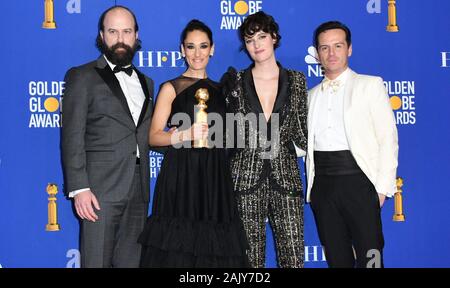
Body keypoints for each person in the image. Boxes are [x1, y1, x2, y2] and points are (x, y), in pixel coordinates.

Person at [138, 19, 249, 268]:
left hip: (215, 177)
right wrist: (184, 135)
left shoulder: (223, 90)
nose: (197, 53)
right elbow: (153, 136)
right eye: (191, 47)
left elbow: (233, 139)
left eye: (203, 46)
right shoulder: (171, 88)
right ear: (182, 50)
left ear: (213, 49)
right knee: (179, 248)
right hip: (181, 175)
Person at [61, 5, 155, 267]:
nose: (120, 39)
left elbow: (145, 134)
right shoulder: (82, 76)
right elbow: (72, 135)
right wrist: (80, 188)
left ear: (136, 35)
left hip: (139, 190)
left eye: (126, 31)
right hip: (99, 192)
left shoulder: (147, 82)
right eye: (113, 31)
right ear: (102, 36)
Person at [305, 21, 399, 268]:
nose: (331, 53)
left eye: (338, 45)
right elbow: (302, 144)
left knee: (371, 258)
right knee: (337, 259)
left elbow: (387, 139)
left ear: (349, 49)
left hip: (360, 183)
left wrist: (381, 190)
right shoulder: (310, 96)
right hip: (323, 187)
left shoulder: (370, 85)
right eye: (324, 48)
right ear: (317, 53)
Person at [221, 11, 307, 268]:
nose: (256, 45)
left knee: (293, 258)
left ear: (274, 38)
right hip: (245, 179)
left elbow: (302, 132)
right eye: (249, 40)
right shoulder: (235, 81)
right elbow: (229, 135)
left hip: (286, 177)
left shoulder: (297, 80)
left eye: (261, 36)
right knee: (250, 262)